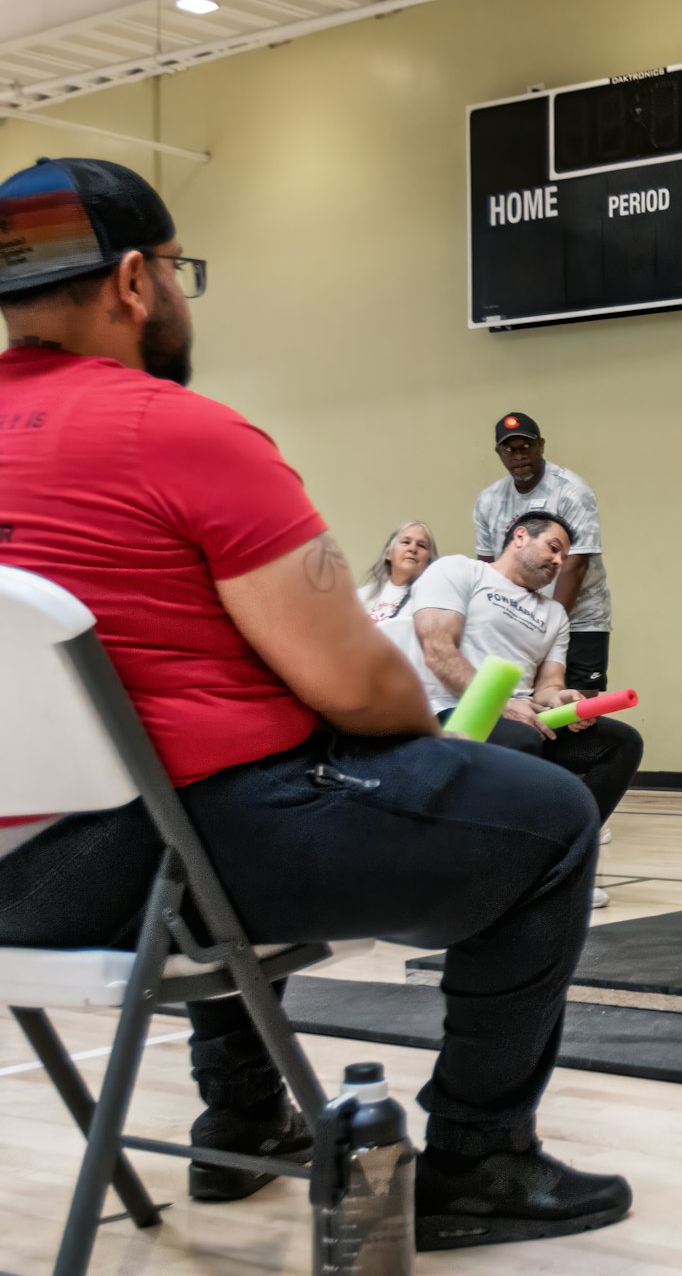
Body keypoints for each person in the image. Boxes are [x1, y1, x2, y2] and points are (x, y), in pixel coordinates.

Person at [0, 158, 630, 1250]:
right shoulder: (186, 434)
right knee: (547, 818)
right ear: (139, 281)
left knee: (208, 822)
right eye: (185, 271)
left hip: (20, 883)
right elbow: (361, 682)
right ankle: (481, 1158)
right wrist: (409, 737)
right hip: (161, 863)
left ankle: (238, 1117)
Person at [406, 512, 644, 910]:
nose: (558, 562)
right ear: (519, 536)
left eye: (563, 557)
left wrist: (564, 701)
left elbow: (548, 685)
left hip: (523, 716)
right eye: (553, 548)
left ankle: (560, 867)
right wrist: (500, 704)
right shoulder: (460, 571)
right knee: (519, 740)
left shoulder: (554, 615)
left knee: (619, 743)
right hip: (451, 711)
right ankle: (500, 875)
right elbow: (438, 651)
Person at [474, 414, 612, 696]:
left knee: (574, 712)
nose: (519, 455)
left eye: (525, 446)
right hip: (517, 620)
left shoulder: (571, 491)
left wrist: (545, 631)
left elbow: (575, 566)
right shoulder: (489, 500)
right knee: (522, 709)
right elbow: (487, 569)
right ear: (499, 453)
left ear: (541, 446)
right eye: (509, 449)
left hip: (580, 621)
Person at [356, 520, 436, 622]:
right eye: (406, 542)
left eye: (421, 545)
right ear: (388, 554)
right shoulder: (361, 596)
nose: (413, 549)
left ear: (429, 561)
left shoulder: (430, 603)